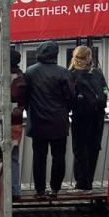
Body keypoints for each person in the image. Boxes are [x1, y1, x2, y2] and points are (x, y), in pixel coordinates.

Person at [23, 40, 74, 197]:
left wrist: (30, 110)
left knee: (39, 157)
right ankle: (55, 188)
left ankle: (40, 189)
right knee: (58, 157)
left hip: (37, 121)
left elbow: (25, 97)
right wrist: (64, 110)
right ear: (55, 54)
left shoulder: (30, 72)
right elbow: (70, 97)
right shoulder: (64, 72)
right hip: (58, 121)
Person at [68, 45, 108, 191]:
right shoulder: (97, 73)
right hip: (97, 116)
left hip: (80, 116)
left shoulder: (71, 74)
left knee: (79, 148)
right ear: (89, 57)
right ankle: (89, 181)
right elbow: (105, 90)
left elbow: (68, 96)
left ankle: (81, 182)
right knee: (93, 148)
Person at [10, 49, 27, 199]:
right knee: (13, 158)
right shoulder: (21, 76)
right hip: (16, 123)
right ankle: (15, 190)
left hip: (0, 123)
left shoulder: (0, 76)